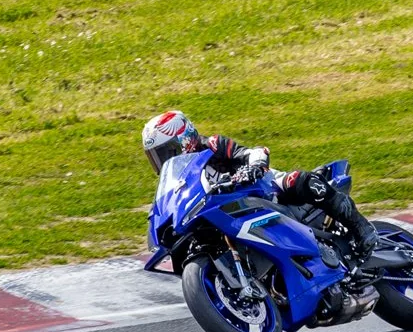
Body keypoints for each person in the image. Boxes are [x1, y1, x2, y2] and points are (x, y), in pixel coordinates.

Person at [141, 109, 379, 258]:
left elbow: (252, 152)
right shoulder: (179, 182)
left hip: (263, 190)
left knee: (298, 181)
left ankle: (361, 227)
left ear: (184, 139)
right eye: (156, 156)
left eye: (166, 152)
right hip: (225, 214)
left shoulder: (212, 145)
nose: (163, 161)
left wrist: (253, 168)